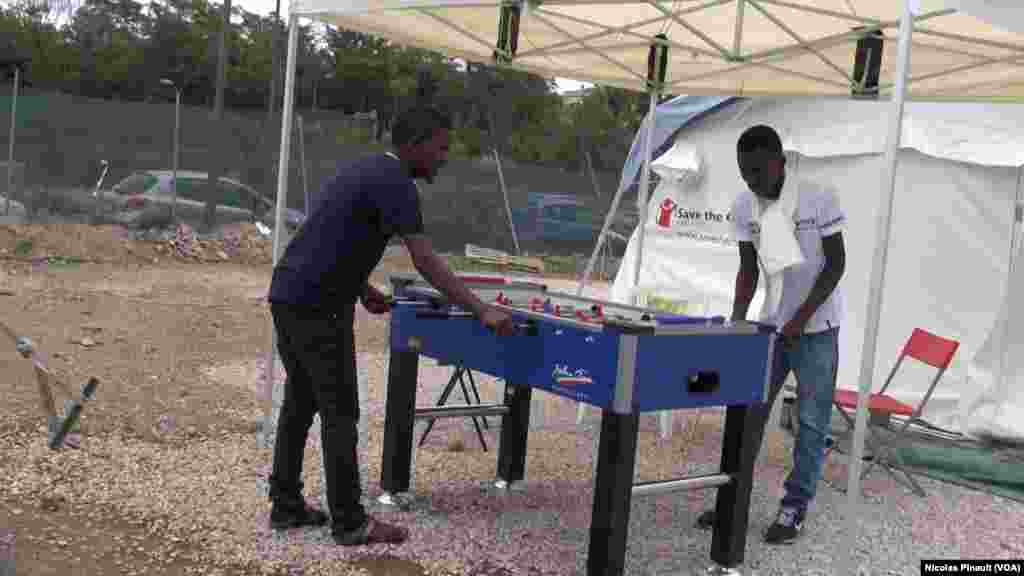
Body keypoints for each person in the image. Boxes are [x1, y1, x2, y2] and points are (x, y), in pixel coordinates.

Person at [264, 106, 516, 546]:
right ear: (415, 144)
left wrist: (362, 290)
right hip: (319, 306)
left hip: (289, 293)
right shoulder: (397, 184)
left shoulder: (363, 170)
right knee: (340, 413)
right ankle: (350, 523)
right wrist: (481, 310)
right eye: (440, 148)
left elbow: (329, 238)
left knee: (301, 405)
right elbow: (425, 259)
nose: (444, 157)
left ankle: (285, 505)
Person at [695, 124, 846, 544]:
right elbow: (747, 269)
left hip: (818, 327)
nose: (752, 182)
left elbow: (836, 265)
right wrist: (738, 321)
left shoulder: (818, 197)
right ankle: (733, 499)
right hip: (771, 325)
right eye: (745, 174)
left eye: (758, 172)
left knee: (812, 424)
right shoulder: (745, 206)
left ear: (780, 162)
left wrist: (801, 318)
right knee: (749, 414)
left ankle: (794, 507)